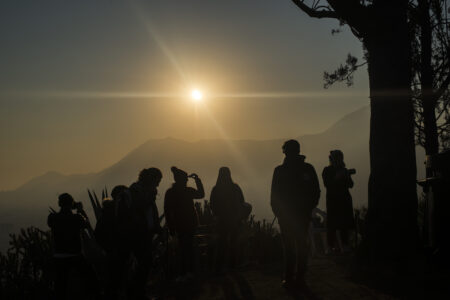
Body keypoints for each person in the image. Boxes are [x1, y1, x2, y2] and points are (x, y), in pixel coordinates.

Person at [271, 139, 320, 291]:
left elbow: (274, 196)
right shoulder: (307, 169)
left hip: (288, 215)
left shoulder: (280, 171)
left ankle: (290, 278)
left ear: (284, 151)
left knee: (291, 247)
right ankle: (299, 278)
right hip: (299, 215)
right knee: (300, 245)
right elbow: (315, 191)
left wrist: (278, 212)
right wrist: (309, 208)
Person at [47, 193, 98, 299]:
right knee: (92, 279)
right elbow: (87, 225)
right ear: (71, 203)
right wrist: (80, 210)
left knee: (60, 285)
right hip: (75, 256)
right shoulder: (77, 218)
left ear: (59, 203)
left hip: (59, 256)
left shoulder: (52, 218)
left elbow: (53, 222)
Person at [164, 167, 204, 280]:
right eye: (185, 179)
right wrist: (197, 180)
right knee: (188, 249)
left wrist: (171, 228)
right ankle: (187, 272)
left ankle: (184, 273)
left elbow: (167, 211)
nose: (186, 181)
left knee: (183, 249)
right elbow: (201, 194)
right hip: (188, 224)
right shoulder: (187, 191)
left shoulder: (170, 192)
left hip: (179, 225)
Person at [128, 168, 163, 299]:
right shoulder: (136, 191)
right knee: (143, 264)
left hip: (146, 234)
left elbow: (151, 212)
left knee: (145, 264)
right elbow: (138, 210)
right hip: (138, 235)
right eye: (157, 181)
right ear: (151, 179)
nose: (158, 184)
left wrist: (156, 227)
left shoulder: (146, 191)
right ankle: (136, 293)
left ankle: (138, 292)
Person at [210, 167, 245, 272]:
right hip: (234, 219)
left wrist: (218, 214)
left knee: (222, 244)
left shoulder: (216, 189)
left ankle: (219, 267)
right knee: (233, 243)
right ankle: (232, 266)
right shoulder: (235, 188)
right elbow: (242, 201)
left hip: (222, 220)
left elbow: (212, 205)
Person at [322, 150, 355, 253]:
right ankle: (330, 246)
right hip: (333, 200)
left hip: (344, 200)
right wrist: (337, 177)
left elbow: (351, 184)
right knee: (332, 224)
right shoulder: (327, 170)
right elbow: (327, 184)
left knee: (344, 223)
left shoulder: (343, 170)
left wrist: (345, 175)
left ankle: (345, 245)